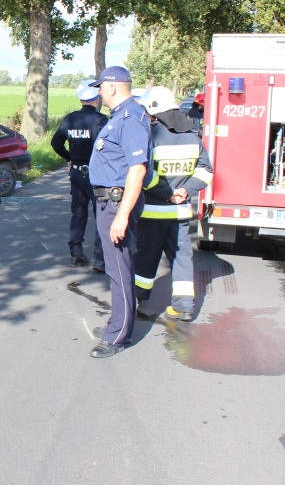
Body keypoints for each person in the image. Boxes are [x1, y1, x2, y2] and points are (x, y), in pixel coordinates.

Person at [86, 66, 153, 358]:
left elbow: (137, 170)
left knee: (119, 269)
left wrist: (123, 215)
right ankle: (118, 323)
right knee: (116, 268)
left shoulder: (130, 119)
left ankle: (118, 335)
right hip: (109, 203)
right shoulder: (120, 117)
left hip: (117, 204)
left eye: (100, 86)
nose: (98, 92)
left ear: (113, 86)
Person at [135, 86, 213, 321]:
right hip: (180, 213)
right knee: (181, 258)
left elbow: (144, 173)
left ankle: (139, 300)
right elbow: (206, 171)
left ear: (153, 110)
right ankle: (183, 306)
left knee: (147, 257)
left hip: (152, 213)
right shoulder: (192, 136)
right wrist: (185, 191)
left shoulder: (149, 136)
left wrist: (168, 193)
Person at [50, 80, 109, 271]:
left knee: (78, 213)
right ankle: (99, 259)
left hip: (76, 172)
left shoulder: (70, 119)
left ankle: (76, 254)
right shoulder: (101, 120)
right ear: (97, 98)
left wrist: (70, 158)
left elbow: (56, 143)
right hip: (98, 175)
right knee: (101, 214)